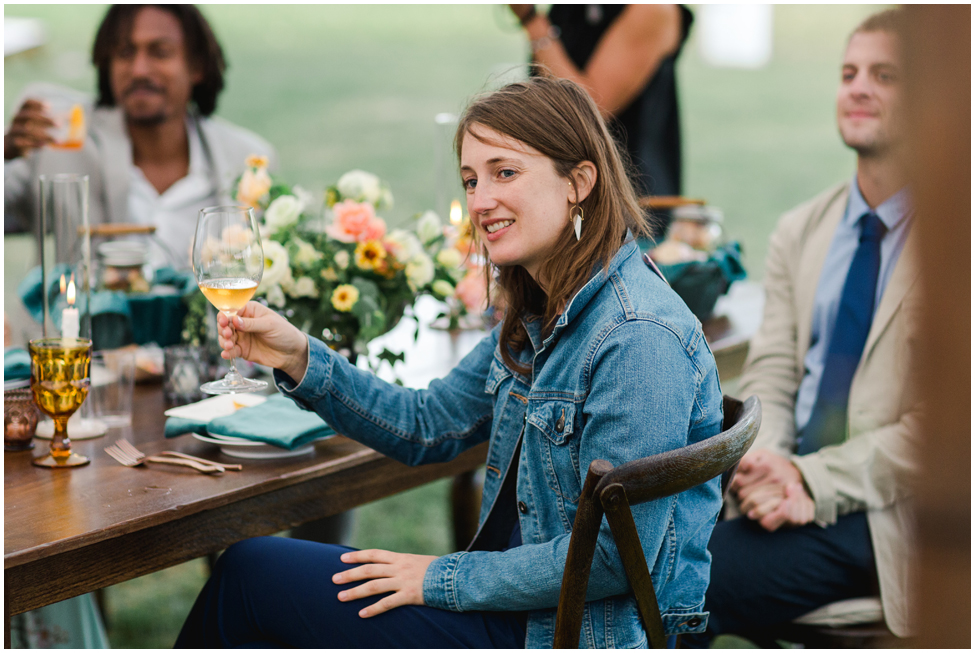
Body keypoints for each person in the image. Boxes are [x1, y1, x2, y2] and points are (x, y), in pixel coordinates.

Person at [174, 76, 724, 648]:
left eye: (505, 172)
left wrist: (438, 577)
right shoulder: (546, 311)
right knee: (255, 575)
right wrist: (300, 356)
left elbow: (608, 560)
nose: (480, 201)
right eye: (470, 179)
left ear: (578, 183)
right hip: (513, 607)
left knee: (249, 576)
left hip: (558, 632)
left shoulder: (637, 337)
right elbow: (426, 423)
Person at [693, 9, 917, 644]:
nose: (858, 87)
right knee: (644, 545)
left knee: (685, 581)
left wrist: (812, 482)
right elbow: (776, 370)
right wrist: (768, 461)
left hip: (890, 513)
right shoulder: (801, 229)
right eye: (849, 72)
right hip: (784, 481)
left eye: (886, 75)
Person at [3, 4, 276, 265]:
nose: (139, 70)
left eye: (160, 52)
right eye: (124, 53)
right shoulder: (55, 136)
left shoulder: (246, 161)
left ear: (197, 66)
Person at [509, 4, 693, 206]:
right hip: (565, 194)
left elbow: (589, 108)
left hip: (630, 205)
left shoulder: (652, 9)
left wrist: (531, 21)